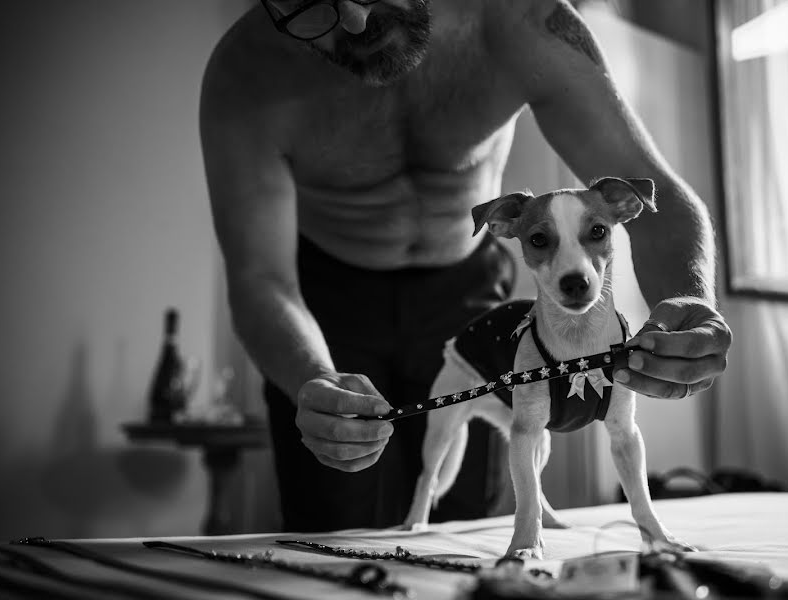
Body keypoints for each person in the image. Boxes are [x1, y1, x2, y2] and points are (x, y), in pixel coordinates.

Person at [199, 0, 733, 532]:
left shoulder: (521, 20)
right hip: (325, 304)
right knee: (332, 527)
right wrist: (311, 377)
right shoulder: (247, 74)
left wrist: (692, 303)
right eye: (311, 2)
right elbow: (259, 280)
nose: (356, 21)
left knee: (461, 527)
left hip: (466, 296)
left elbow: (651, 193)